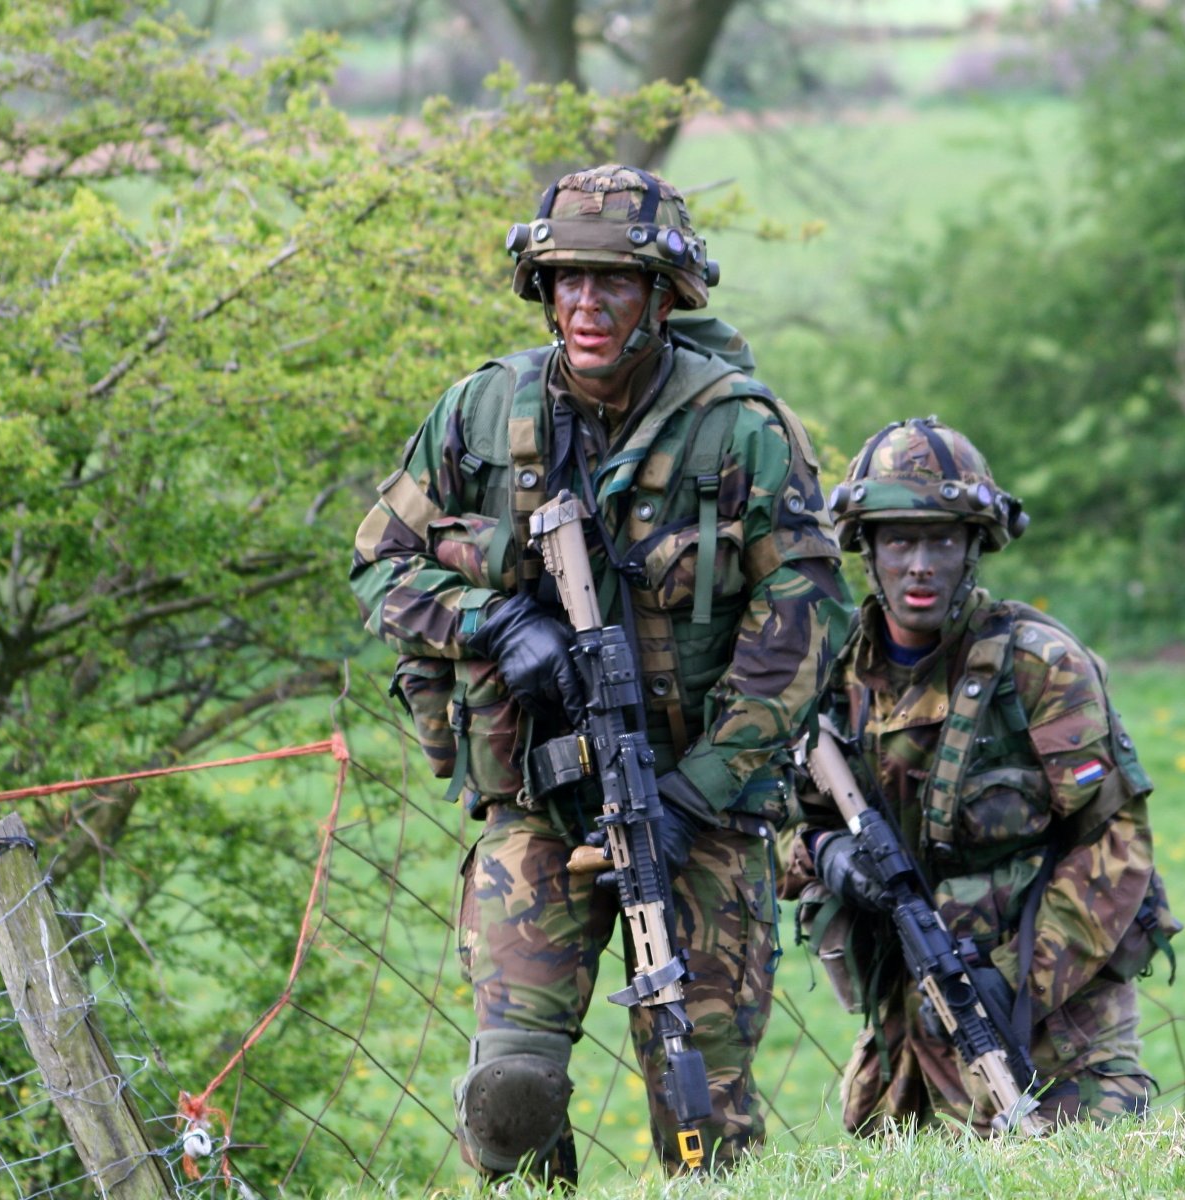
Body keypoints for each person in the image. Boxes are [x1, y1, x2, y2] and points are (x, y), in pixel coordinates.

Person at [349, 164, 849, 1183]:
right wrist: (493, 622)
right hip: (536, 802)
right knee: (510, 1099)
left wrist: (693, 793)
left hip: (699, 807)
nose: (585, 303)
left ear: (664, 296)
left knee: (701, 1116)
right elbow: (378, 564)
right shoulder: (479, 414)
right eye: (567, 280)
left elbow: (806, 620)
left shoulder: (742, 429)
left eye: (613, 282)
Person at [782, 417, 1178, 1134]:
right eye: (899, 540)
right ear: (866, 549)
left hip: (1057, 1034)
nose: (920, 565)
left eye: (941, 539)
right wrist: (825, 856)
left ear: (973, 547)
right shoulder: (836, 678)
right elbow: (784, 824)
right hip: (905, 1037)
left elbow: (1116, 844)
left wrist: (1010, 981)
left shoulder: (1038, 667)